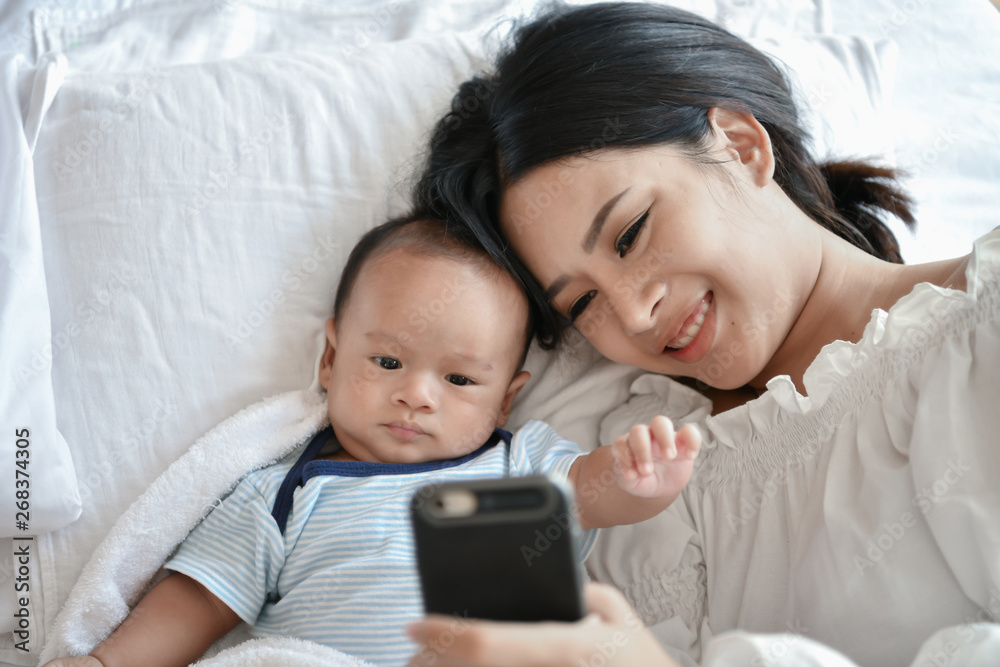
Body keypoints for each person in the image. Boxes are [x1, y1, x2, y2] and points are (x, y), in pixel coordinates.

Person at [409, 2, 1000, 666]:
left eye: (631, 235)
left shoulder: (980, 329)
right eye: (584, 304)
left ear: (741, 146)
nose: (634, 316)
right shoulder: (641, 476)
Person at [43, 214, 701, 667]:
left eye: (459, 378)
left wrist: (638, 479)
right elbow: (201, 598)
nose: (417, 394)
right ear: (331, 359)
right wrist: (109, 661)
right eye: (387, 362)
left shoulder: (519, 465)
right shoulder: (283, 492)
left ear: (506, 397)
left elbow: (590, 493)